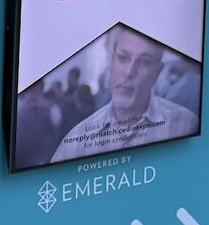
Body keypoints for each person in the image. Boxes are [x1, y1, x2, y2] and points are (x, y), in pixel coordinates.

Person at [50, 24, 199, 161]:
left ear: (157, 73)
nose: (129, 72)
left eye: (144, 62)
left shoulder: (185, 124)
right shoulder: (75, 143)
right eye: (123, 57)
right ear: (112, 62)